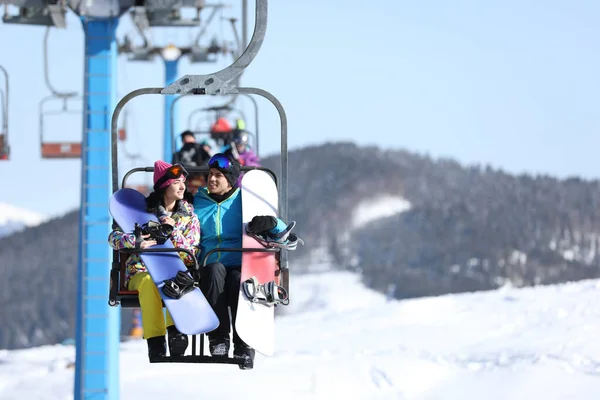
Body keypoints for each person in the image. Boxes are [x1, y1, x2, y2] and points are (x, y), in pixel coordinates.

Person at [193, 153, 297, 370]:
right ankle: (218, 338)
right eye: (210, 175)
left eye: (218, 176)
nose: (211, 179)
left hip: (241, 263)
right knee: (213, 271)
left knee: (238, 279)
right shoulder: (198, 201)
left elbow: (282, 231)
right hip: (210, 263)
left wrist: (269, 223)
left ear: (230, 179)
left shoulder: (245, 200)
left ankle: (243, 344)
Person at [108, 161, 201, 360]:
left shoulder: (188, 217)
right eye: (176, 182)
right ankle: (156, 342)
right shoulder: (139, 213)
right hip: (141, 270)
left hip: (174, 269)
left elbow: (191, 249)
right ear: (164, 186)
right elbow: (113, 239)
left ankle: (176, 333)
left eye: (183, 182)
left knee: (174, 282)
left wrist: (173, 230)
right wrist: (136, 241)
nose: (182, 187)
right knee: (151, 283)